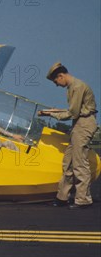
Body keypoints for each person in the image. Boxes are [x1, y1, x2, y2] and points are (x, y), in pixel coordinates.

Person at [38, 62, 98, 209]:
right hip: (78, 124)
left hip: (83, 125)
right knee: (68, 163)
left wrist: (52, 114)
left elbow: (72, 113)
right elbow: (73, 110)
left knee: (79, 163)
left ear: (61, 76)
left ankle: (83, 200)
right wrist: (52, 112)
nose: (57, 85)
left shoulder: (77, 87)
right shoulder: (73, 86)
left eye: (56, 81)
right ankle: (62, 198)